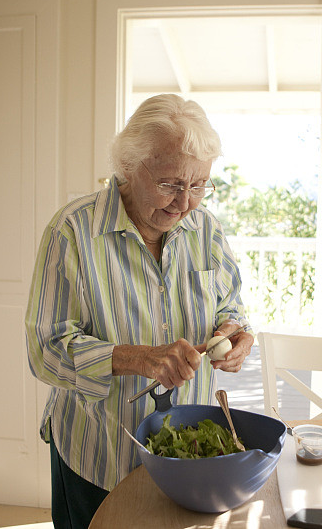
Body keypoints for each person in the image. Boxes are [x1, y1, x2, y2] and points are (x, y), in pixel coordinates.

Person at [25, 94, 254, 528]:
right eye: (170, 183)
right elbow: (45, 349)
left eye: (199, 184)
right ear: (128, 166)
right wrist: (141, 358)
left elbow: (232, 306)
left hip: (189, 459)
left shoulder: (206, 229)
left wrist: (236, 332)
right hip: (100, 456)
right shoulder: (72, 231)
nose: (185, 202)